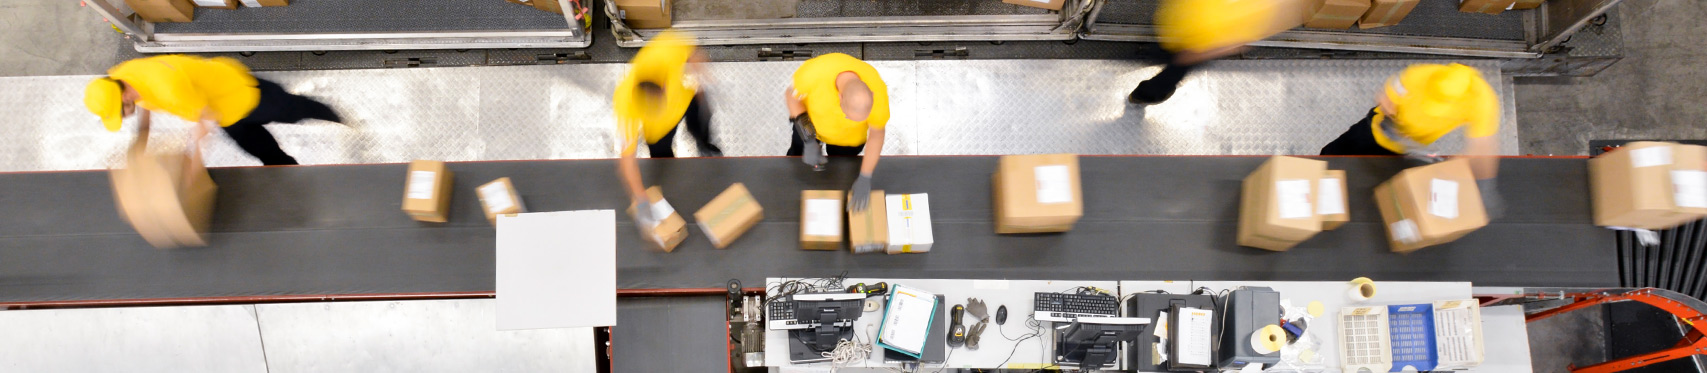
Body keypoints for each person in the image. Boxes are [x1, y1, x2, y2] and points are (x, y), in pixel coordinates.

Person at [84, 55, 341, 165]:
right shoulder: (119, 75)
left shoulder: (168, 88)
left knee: (294, 110)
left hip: (241, 95)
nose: (121, 117)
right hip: (224, 113)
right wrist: (142, 137)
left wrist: (193, 165)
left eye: (119, 112)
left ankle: (334, 115)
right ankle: (290, 174)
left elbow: (207, 118)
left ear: (124, 96)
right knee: (263, 151)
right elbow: (145, 104)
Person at [1319, 63, 1505, 216]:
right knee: (1334, 154)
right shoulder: (1417, 75)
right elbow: (1386, 99)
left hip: (1403, 149)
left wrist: (1485, 186)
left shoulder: (1482, 101)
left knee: (1369, 180)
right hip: (1375, 130)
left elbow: (1483, 146)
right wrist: (1392, 124)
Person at [615, 30, 719, 227]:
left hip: (685, 102)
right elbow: (626, 159)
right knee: (662, 156)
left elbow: (693, 51)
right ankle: (671, 183)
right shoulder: (624, 104)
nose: (659, 101)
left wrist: (702, 77)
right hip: (658, 131)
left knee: (701, 126)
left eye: (660, 93)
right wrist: (641, 200)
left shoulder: (665, 48)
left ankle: (705, 145)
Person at [1128, 0, 1305, 105]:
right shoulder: (1272, 9)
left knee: (1160, 48)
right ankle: (1144, 95)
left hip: (1172, 23)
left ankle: (1147, 55)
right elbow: (1236, 40)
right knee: (1171, 74)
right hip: (1194, 44)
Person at [783, 53, 889, 212]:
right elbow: (791, 97)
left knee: (842, 171)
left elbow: (876, 135)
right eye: (848, 116)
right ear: (839, 97)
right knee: (798, 162)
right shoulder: (814, 73)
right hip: (810, 126)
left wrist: (865, 176)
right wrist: (809, 140)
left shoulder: (878, 92)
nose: (849, 120)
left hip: (848, 140)